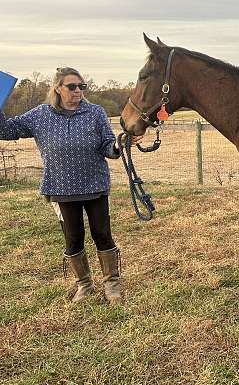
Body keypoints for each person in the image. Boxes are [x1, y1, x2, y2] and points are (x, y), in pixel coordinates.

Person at [0, 67, 142, 304]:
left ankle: (112, 285)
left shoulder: (95, 112)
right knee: (73, 238)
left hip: (94, 185)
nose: (78, 91)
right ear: (58, 88)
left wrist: (119, 145)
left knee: (102, 235)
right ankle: (84, 285)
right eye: (72, 86)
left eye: (81, 86)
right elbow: (5, 130)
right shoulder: (40, 115)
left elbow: (108, 145)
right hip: (61, 188)